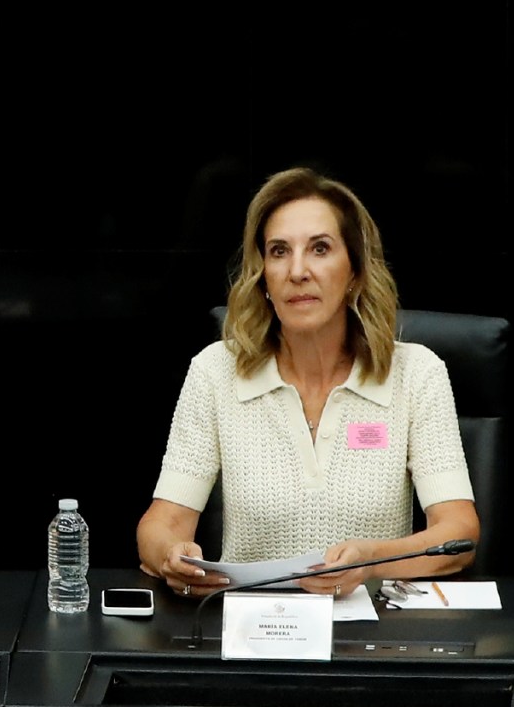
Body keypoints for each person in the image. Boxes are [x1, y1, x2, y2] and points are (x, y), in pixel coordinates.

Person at [137, 166, 479, 597]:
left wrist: (370, 562)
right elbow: (160, 524)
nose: (297, 270)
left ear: (354, 271)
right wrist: (171, 556)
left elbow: (458, 533)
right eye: (279, 251)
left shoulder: (416, 374)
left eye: (320, 248)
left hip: (375, 638)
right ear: (262, 276)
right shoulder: (215, 372)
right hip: (254, 635)